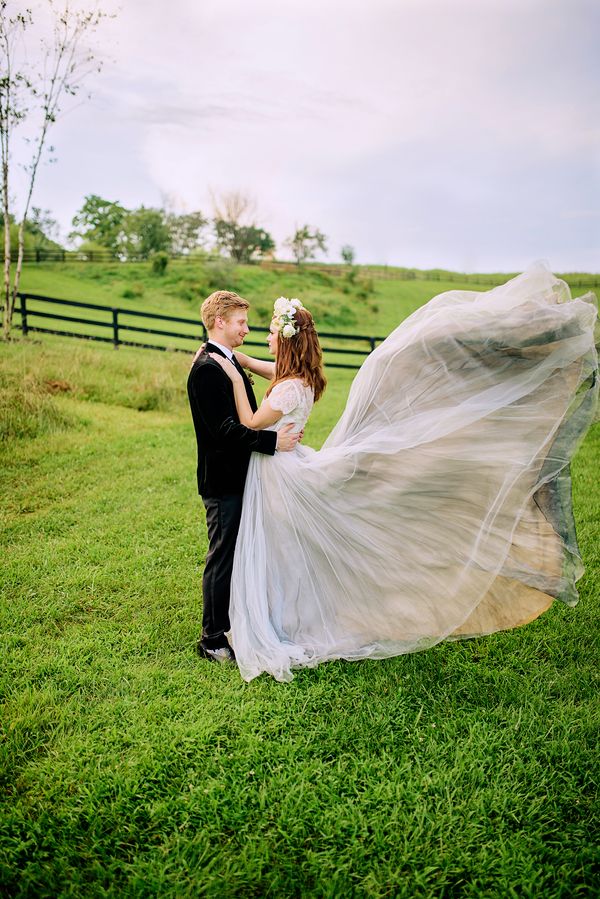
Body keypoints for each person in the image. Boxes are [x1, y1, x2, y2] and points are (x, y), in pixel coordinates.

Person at [210, 265, 599, 682]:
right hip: (287, 463)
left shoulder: (287, 386)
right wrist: (237, 357)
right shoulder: (299, 378)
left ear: (285, 340)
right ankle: (284, 611)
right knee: (286, 548)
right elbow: (275, 373)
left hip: (280, 473)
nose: (262, 337)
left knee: (284, 548)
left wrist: (232, 373)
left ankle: (287, 619)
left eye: (269, 332)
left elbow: (250, 422)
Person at [187, 290, 300, 663]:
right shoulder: (206, 368)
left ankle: (236, 622)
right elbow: (222, 430)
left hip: (241, 475)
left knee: (236, 553)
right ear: (219, 322)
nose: (246, 329)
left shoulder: (228, 361)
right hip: (222, 479)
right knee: (222, 556)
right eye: (240, 322)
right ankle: (212, 639)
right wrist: (273, 441)